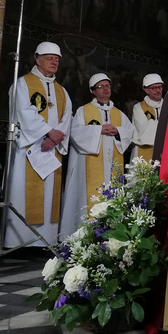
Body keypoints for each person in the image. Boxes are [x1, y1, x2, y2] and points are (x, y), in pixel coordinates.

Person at [5, 41, 72, 248]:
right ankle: (20, 241)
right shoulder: (23, 83)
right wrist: (47, 132)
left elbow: (67, 117)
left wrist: (54, 138)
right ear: (38, 60)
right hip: (29, 149)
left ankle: (46, 241)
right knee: (24, 194)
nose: (54, 62)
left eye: (57, 59)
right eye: (50, 58)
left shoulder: (62, 91)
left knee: (49, 195)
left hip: (51, 150)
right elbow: (23, 112)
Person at [60, 73, 133, 237]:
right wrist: (98, 129)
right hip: (89, 168)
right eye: (101, 86)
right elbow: (75, 133)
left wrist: (118, 131)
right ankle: (85, 236)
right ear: (93, 91)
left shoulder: (119, 114)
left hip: (112, 166)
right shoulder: (83, 111)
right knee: (88, 200)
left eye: (107, 86)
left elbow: (130, 132)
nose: (106, 89)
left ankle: (112, 235)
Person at [132, 73, 164, 162]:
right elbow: (143, 129)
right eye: (154, 88)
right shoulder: (138, 107)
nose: (158, 90)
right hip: (143, 151)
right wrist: (164, 125)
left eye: (160, 87)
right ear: (146, 90)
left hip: (164, 151)